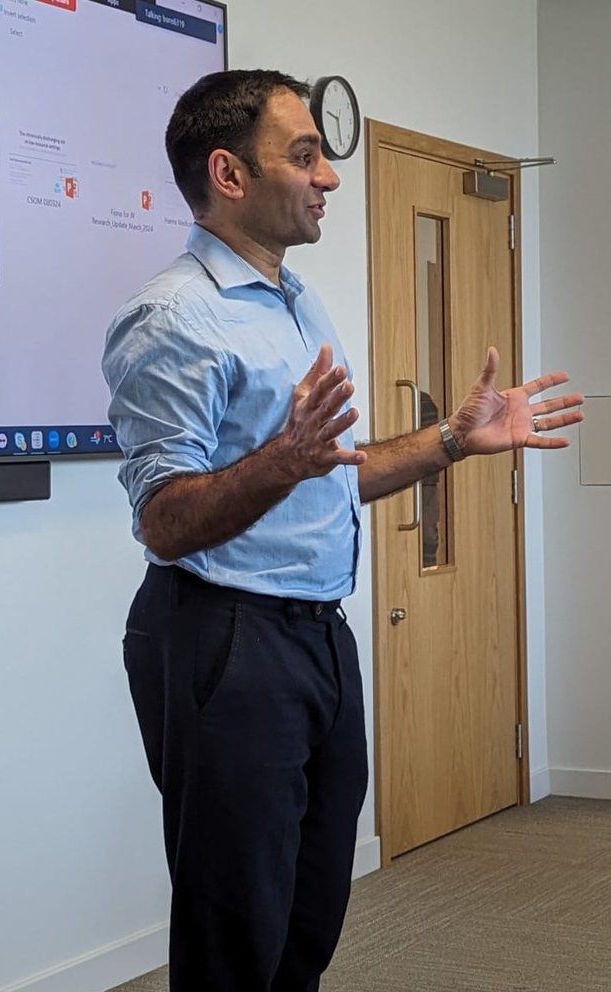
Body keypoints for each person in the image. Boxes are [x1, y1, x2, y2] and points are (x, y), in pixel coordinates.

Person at [102, 69, 583, 992]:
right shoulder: (173, 317)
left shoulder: (294, 302)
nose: (328, 178)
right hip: (221, 637)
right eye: (305, 154)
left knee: (310, 911)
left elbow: (331, 471)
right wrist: (280, 460)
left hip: (317, 634)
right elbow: (164, 520)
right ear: (229, 175)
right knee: (236, 923)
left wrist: (451, 441)